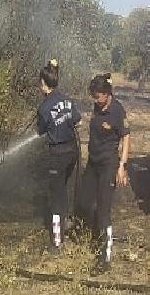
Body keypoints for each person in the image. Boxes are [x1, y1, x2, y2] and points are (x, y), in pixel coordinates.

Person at [78, 73, 130, 273]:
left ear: (107, 95)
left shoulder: (117, 111)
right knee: (83, 202)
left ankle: (105, 257)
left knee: (103, 209)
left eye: (98, 96)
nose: (96, 100)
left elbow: (126, 137)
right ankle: (95, 232)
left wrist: (122, 165)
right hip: (93, 162)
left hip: (109, 164)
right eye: (94, 96)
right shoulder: (97, 106)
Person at [36, 59, 81, 253]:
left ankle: (56, 241)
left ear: (44, 84)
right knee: (64, 190)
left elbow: (41, 131)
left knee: (56, 196)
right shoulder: (67, 100)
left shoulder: (44, 108)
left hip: (58, 155)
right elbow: (77, 121)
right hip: (73, 152)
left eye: (40, 83)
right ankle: (66, 223)